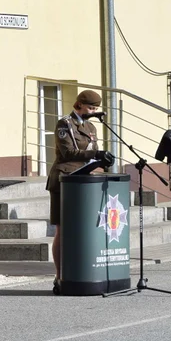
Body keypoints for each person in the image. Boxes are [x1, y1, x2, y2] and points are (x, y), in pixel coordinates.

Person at [46, 89, 111, 294]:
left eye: (95, 109)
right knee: (62, 229)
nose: (93, 111)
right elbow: (68, 153)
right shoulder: (64, 123)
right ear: (79, 104)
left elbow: (91, 152)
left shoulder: (91, 126)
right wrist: (95, 153)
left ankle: (83, 272)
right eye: (90, 107)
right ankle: (60, 275)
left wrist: (102, 161)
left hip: (85, 180)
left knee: (84, 228)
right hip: (64, 179)